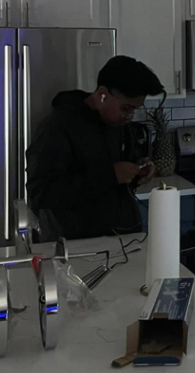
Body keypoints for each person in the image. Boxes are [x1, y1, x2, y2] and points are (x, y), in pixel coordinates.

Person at [26, 55, 164, 240]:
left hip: (126, 238)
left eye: (135, 110)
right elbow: (40, 192)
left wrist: (138, 171)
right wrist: (110, 175)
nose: (130, 116)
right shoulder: (59, 125)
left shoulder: (120, 124)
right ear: (102, 94)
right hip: (78, 245)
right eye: (125, 108)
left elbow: (121, 175)